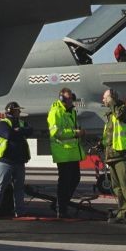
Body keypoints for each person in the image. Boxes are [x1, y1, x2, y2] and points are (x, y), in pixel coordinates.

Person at [0, 101, 31, 219]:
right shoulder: (2, 124)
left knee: (19, 188)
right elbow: (8, 135)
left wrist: (18, 131)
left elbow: (30, 130)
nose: (19, 112)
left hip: (19, 162)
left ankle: (20, 212)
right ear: (11, 111)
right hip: (6, 162)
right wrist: (20, 132)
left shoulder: (21, 123)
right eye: (17, 110)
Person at [101, 88, 126, 225]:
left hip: (123, 156)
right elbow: (108, 137)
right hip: (112, 157)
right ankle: (123, 213)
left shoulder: (123, 110)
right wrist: (100, 146)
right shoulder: (110, 115)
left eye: (106, 97)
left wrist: (113, 102)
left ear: (112, 98)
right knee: (117, 188)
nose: (103, 100)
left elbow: (119, 116)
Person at [47, 87, 84, 217]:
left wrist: (78, 132)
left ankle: (60, 203)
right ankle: (61, 209)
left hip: (72, 152)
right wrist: (75, 133)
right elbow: (55, 132)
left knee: (75, 179)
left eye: (71, 98)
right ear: (61, 98)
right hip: (63, 152)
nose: (70, 100)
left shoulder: (71, 111)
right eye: (68, 98)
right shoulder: (55, 112)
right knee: (65, 182)